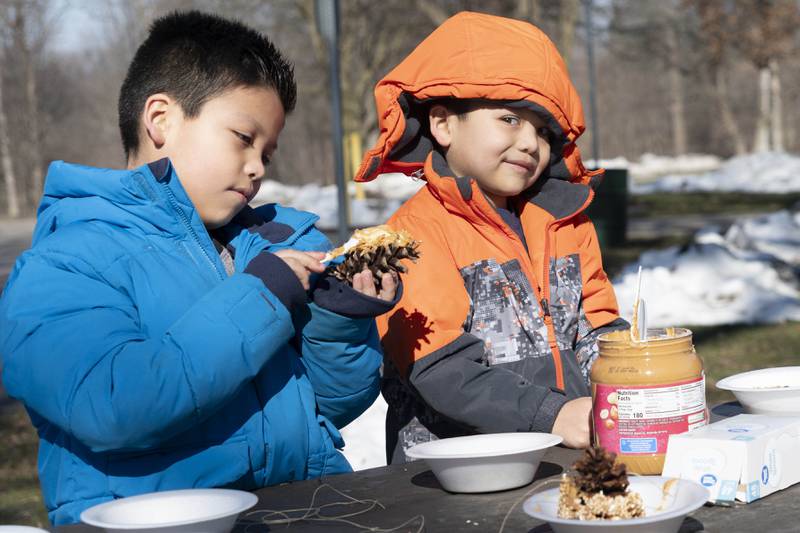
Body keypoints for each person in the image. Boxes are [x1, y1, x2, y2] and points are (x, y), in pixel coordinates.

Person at [0, 11, 399, 525]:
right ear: (161, 119)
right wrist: (260, 298)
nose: (257, 167)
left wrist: (338, 325)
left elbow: (319, 411)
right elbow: (117, 406)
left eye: (268, 154)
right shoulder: (61, 265)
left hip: (302, 508)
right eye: (242, 137)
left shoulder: (262, 247)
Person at [352, 11, 629, 464]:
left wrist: (628, 377)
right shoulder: (412, 235)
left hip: (566, 452)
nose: (529, 143)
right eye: (509, 119)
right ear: (443, 124)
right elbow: (439, 366)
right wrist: (551, 414)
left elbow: (596, 323)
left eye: (542, 131)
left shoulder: (565, 222)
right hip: (455, 470)